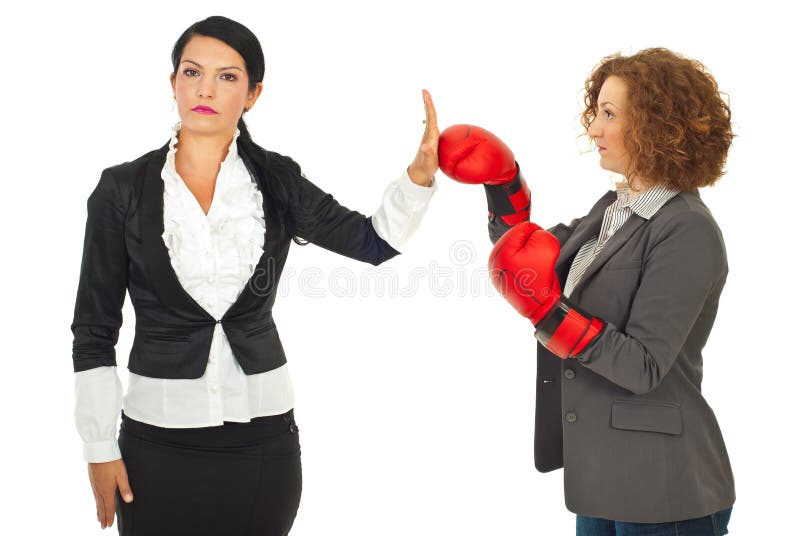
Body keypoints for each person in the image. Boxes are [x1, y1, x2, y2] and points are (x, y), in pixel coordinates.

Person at [71, 15, 439, 536]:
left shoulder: (276, 179)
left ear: (253, 93)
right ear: (172, 83)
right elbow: (93, 331)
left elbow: (372, 242)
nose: (205, 89)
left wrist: (420, 174)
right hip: (156, 444)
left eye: (227, 77)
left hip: (263, 444)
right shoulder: (121, 190)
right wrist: (98, 447)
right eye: (192, 72)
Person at [438, 48, 735, 535]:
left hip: (666, 486)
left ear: (658, 128)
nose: (592, 128)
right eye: (595, 111)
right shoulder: (614, 210)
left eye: (609, 114)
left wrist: (549, 316)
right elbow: (527, 255)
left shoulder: (686, 230)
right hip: (601, 477)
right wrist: (501, 178)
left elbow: (643, 366)